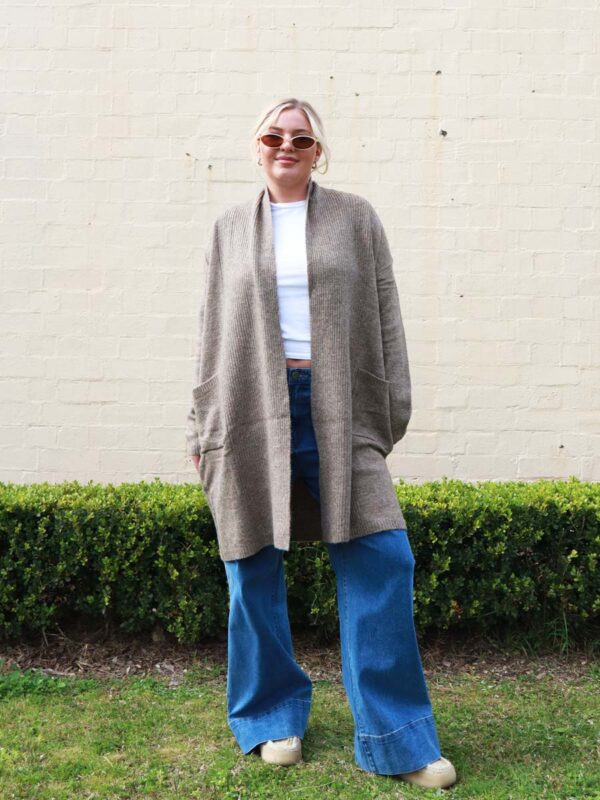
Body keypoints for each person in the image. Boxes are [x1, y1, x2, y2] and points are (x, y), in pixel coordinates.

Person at [185, 97, 457, 790]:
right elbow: (212, 332)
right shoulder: (227, 229)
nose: (287, 146)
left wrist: (388, 411)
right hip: (251, 409)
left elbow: (386, 313)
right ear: (256, 145)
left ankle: (397, 737)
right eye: (274, 135)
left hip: (337, 407)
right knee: (251, 568)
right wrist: (203, 425)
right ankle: (272, 715)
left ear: (317, 151)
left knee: (382, 559)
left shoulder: (356, 218)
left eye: (300, 138)